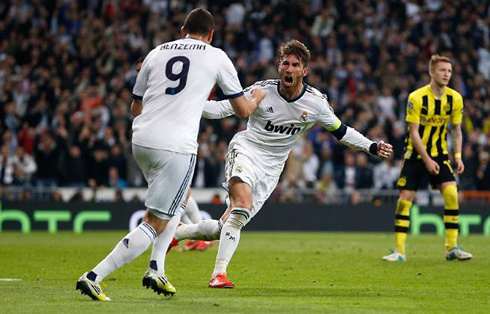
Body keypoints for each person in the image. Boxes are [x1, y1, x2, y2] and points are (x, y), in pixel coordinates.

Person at [76, 8, 265, 301]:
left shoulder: (156, 53)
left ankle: (157, 269)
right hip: (176, 145)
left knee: (177, 203)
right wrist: (256, 101)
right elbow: (241, 110)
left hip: (141, 140)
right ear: (211, 34)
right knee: (155, 221)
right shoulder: (215, 56)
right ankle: (94, 275)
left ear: (182, 31)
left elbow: (135, 106)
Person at [171, 40, 393, 288]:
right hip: (246, 150)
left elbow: (341, 131)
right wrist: (183, 103)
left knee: (225, 225)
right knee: (241, 206)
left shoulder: (316, 103)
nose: (289, 68)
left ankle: (178, 233)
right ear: (279, 67)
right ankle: (218, 275)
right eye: (285, 63)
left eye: (295, 65)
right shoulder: (262, 91)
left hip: (272, 168)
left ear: (304, 71)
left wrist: (370, 146)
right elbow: (223, 108)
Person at [382, 55, 472, 262]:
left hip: (440, 154)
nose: (446, 74)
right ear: (432, 72)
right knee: (405, 200)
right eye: (442, 70)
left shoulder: (455, 98)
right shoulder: (417, 97)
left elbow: (457, 130)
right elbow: (413, 133)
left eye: (449, 71)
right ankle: (399, 251)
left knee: (451, 194)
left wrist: (457, 156)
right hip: (415, 154)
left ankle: (452, 247)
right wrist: (427, 160)